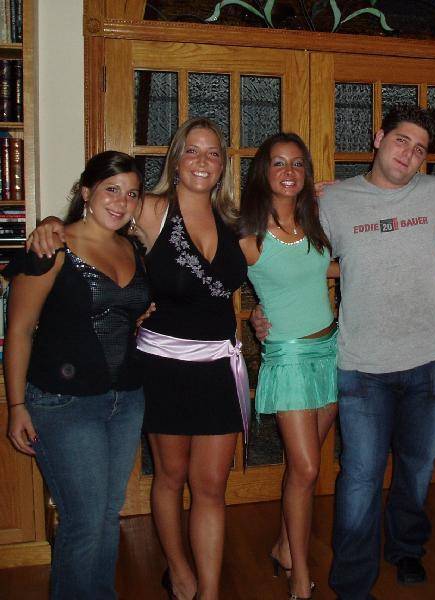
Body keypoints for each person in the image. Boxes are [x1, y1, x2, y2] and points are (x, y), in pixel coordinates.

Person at [27, 117, 248, 600]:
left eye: (213, 153)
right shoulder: (149, 209)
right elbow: (94, 220)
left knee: (212, 487)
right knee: (170, 477)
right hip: (163, 366)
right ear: (176, 158)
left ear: (223, 165)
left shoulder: (234, 220)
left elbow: (287, 246)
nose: (203, 161)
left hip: (218, 366)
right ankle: (180, 572)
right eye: (192, 150)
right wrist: (50, 225)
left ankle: (209, 592)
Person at [253, 104, 435, 599]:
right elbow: (296, 260)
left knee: (417, 467)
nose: (409, 154)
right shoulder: (332, 201)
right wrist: (264, 308)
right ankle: (352, 581)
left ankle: (407, 547)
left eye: (420, 149)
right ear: (378, 137)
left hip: (431, 356)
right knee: (361, 476)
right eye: (401, 140)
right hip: (362, 363)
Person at [5, 151, 149, 599]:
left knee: (106, 514)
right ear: (86, 192)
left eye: (131, 194)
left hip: (126, 401)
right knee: (83, 521)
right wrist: (16, 405)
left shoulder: (133, 248)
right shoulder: (52, 247)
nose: (122, 202)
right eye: (112, 189)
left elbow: (128, 313)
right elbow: (19, 330)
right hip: (64, 403)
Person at [239, 133, 338, 600]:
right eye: (279, 163)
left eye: (297, 163)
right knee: (307, 468)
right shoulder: (248, 235)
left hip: (331, 350)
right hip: (290, 357)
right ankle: (300, 573)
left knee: (305, 468)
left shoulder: (315, 219)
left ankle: (283, 546)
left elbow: (327, 268)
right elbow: (210, 282)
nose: (289, 171)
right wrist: (252, 317)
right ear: (263, 170)